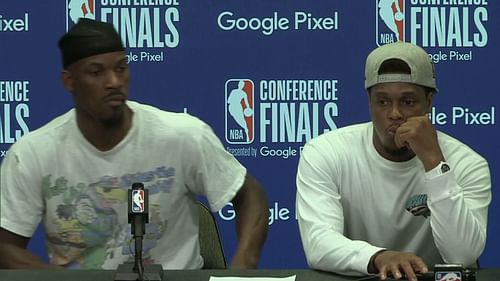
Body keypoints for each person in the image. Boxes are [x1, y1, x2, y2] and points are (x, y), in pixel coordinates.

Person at [0, 18, 268, 270]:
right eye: (97, 72)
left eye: (121, 68)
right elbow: (4, 246)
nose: (114, 82)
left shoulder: (182, 136)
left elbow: (250, 196)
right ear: (69, 81)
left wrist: (243, 270)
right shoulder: (33, 154)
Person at [296, 42, 491, 281]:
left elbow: (462, 256)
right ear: (369, 102)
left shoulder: (468, 164)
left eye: (408, 102)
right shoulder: (326, 152)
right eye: (383, 102)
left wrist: (434, 162)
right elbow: (319, 243)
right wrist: (379, 257)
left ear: (428, 102)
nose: (395, 113)